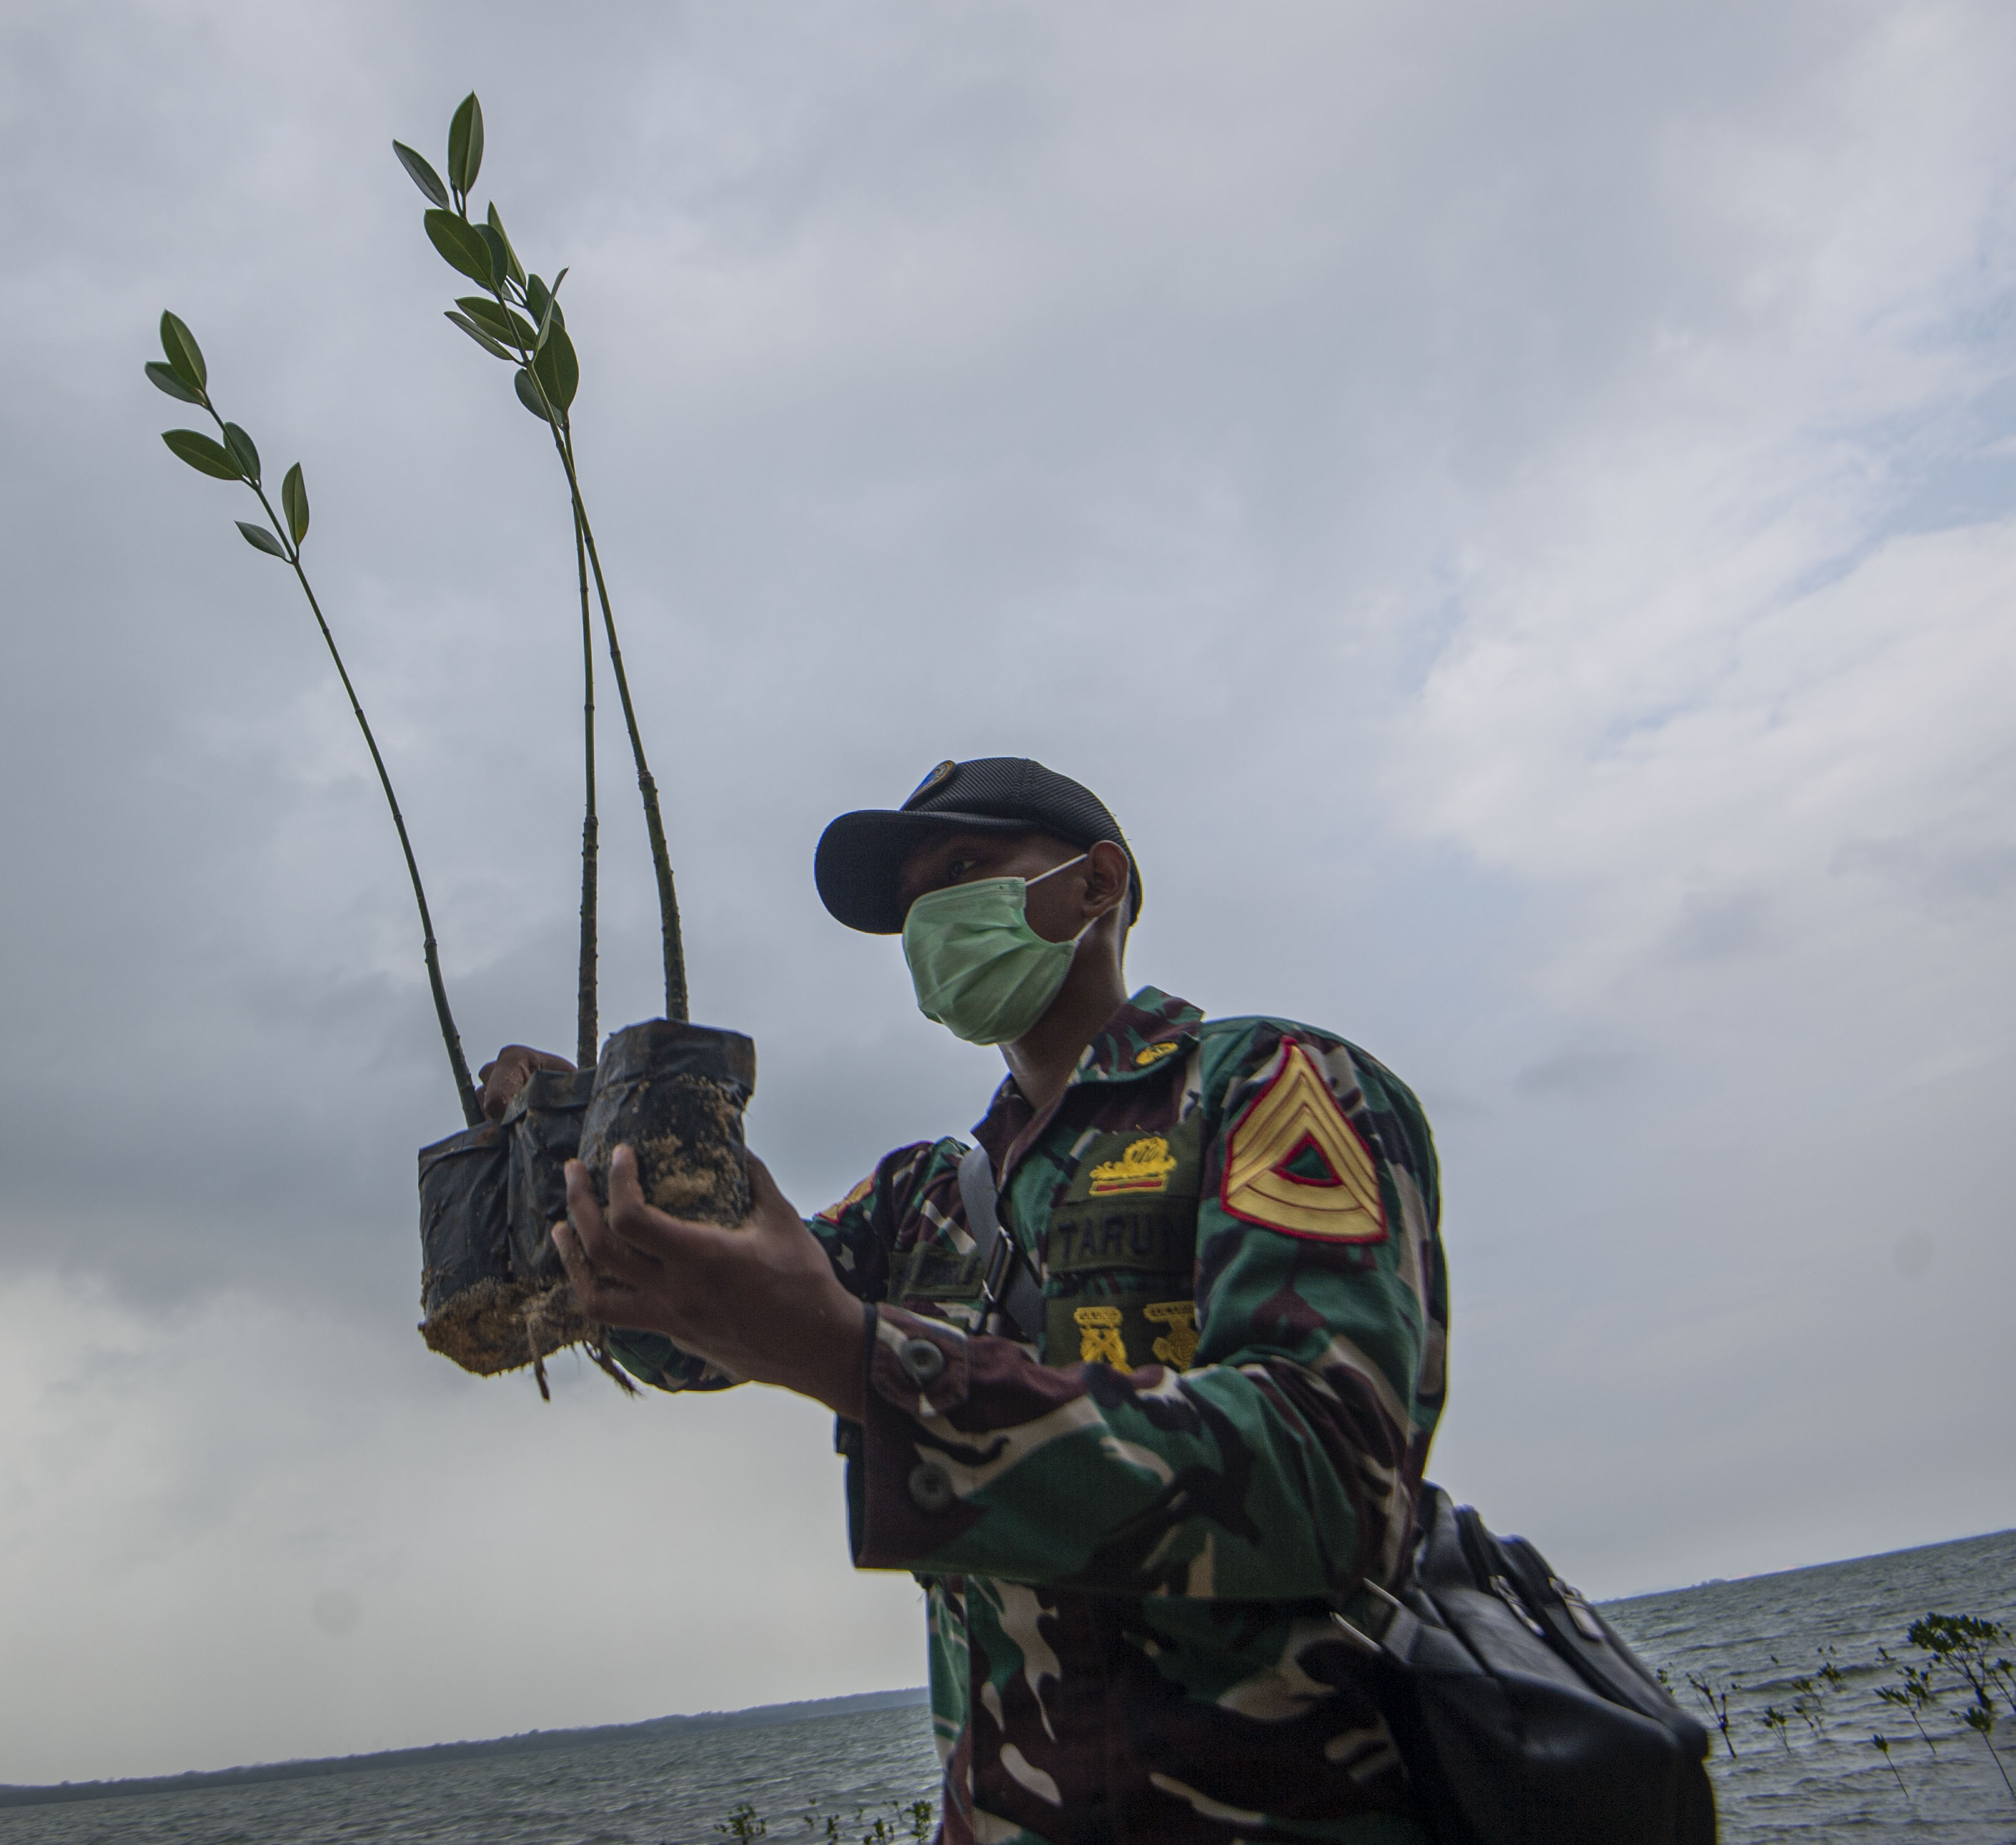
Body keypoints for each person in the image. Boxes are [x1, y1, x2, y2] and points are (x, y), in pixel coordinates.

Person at [479, 757, 1450, 1845]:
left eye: (965, 869)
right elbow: (695, 1330)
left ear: (1097, 886)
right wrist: (572, 1147)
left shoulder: (1268, 1088)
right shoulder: (928, 1196)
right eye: (911, 911)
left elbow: (1331, 1480)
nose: (934, 922)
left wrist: (862, 1358)